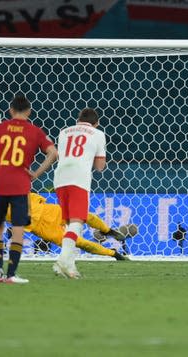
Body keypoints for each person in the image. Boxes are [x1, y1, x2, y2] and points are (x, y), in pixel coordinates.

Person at [0, 176, 132, 260]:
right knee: (79, 242)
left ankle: (107, 231)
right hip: (42, 229)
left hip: (50, 212)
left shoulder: (7, 183)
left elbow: (10, 163)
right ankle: (114, 254)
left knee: (85, 215)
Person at [0, 95, 58, 284]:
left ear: (11, 111)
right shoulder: (35, 131)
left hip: (0, 183)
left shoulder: (0, 128)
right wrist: (36, 173)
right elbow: (53, 153)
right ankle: (11, 274)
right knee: (18, 227)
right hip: (21, 185)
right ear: (29, 111)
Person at [53, 108, 107, 279]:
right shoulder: (98, 133)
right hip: (78, 178)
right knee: (77, 222)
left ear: (78, 120)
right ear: (96, 123)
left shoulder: (63, 132)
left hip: (60, 177)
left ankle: (70, 266)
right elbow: (99, 167)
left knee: (70, 224)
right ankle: (62, 260)